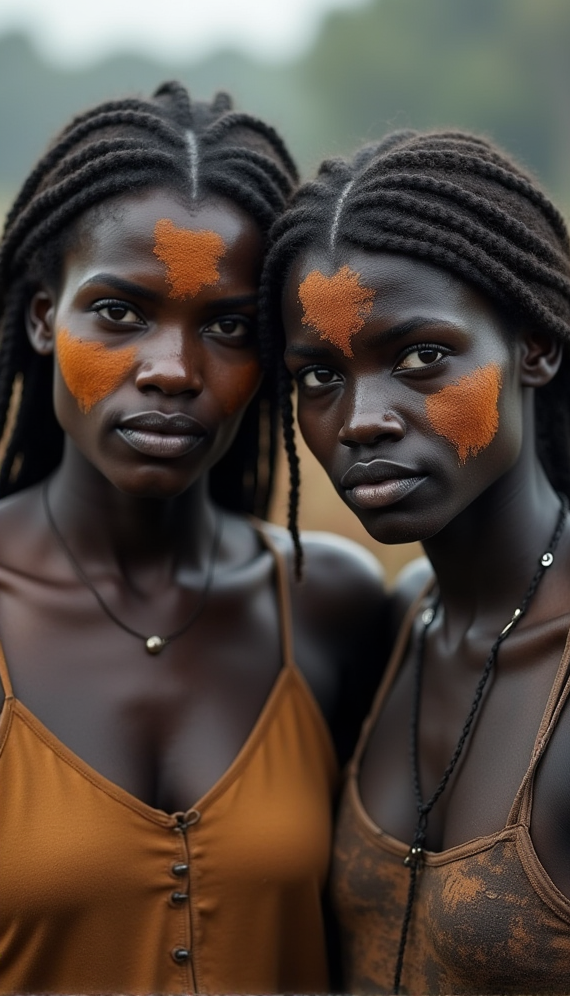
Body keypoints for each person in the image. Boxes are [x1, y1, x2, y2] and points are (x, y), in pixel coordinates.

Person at [261, 130, 570, 994]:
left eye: (421, 358)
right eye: (318, 376)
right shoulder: (408, 619)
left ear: (535, 347)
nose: (360, 419)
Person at [0, 82, 389, 996]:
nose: (173, 370)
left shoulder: (328, 606)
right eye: (121, 312)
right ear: (40, 319)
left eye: (228, 326)